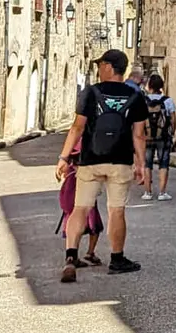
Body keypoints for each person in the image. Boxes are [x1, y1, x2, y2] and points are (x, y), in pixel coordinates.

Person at [56, 48, 149, 282]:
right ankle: (117, 258)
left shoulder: (91, 92)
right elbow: (139, 135)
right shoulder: (135, 96)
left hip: (90, 160)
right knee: (116, 210)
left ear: (109, 66)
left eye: (100, 65)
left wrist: (64, 157)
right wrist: (142, 164)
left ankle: (71, 255)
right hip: (120, 161)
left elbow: (77, 127)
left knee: (80, 208)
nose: (98, 69)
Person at [55, 138, 103, 267]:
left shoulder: (69, 169)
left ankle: (71, 255)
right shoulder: (88, 165)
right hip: (87, 197)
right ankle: (90, 253)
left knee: (73, 226)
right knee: (95, 226)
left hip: (70, 203)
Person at [141, 75, 176, 201]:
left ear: (149, 86)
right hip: (163, 136)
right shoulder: (168, 101)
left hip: (147, 136)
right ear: (161, 86)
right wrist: (172, 132)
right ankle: (162, 193)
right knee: (163, 164)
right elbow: (173, 119)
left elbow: (139, 120)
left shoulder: (143, 100)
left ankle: (147, 192)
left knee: (147, 164)